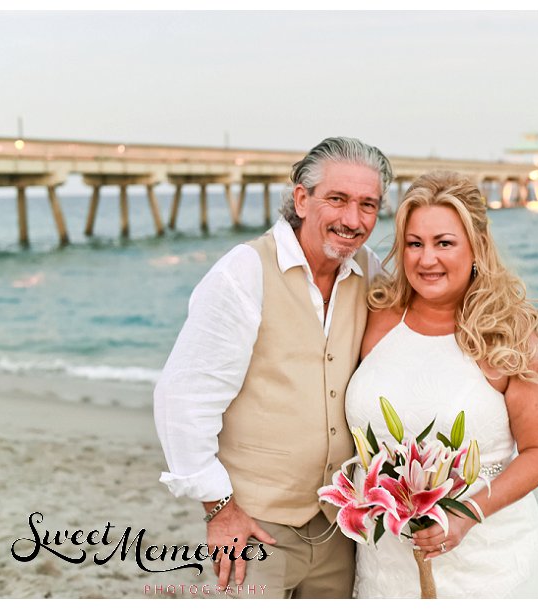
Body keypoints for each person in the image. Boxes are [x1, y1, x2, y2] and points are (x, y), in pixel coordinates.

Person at [154, 136, 392, 598]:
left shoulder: (371, 272)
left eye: (368, 205)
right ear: (302, 199)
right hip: (254, 528)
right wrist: (219, 508)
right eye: (338, 199)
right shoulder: (244, 271)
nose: (353, 219)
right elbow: (182, 397)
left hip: (337, 528)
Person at [344, 170, 538, 598]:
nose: (427, 260)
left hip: (485, 559)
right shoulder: (379, 318)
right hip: (386, 559)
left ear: (476, 246)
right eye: (414, 243)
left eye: (444, 243)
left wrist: (467, 513)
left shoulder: (509, 339)